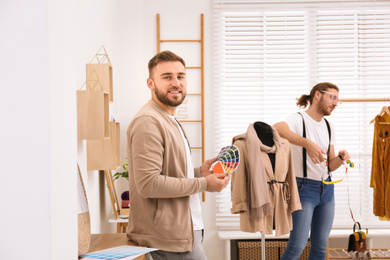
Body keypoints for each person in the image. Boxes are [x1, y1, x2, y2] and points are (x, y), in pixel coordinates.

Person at [126, 50, 230, 260]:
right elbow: (148, 184)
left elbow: (168, 172)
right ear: (150, 83)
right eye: (167, 77)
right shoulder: (148, 121)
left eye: (180, 76)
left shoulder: (167, 118)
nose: (176, 82)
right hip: (166, 239)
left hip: (184, 233)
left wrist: (198, 171)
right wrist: (203, 183)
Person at [273, 82, 350, 260]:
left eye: (338, 100)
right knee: (297, 245)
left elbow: (329, 165)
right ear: (317, 95)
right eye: (332, 98)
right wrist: (306, 143)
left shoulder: (329, 126)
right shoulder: (298, 119)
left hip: (327, 190)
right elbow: (276, 129)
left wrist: (340, 158)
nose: (335, 103)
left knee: (320, 247)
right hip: (303, 189)